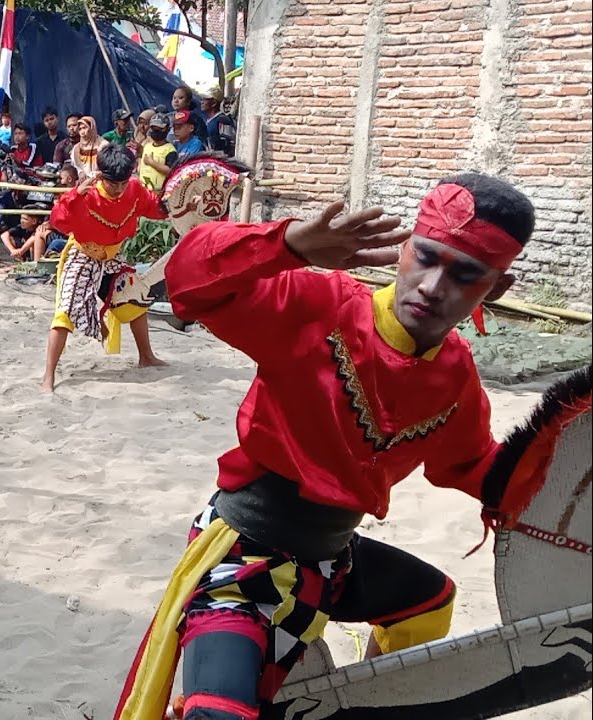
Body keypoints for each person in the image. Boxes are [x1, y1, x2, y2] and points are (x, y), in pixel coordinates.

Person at [111, 173, 535, 720]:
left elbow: (472, 464)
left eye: (466, 274)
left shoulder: (455, 372)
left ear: (496, 288)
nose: (433, 286)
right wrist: (287, 244)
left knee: (430, 604)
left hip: (332, 562)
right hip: (243, 561)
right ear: (405, 249)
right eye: (426, 257)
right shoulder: (318, 305)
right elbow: (187, 280)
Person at [40, 144, 167, 393]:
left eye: (123, 183)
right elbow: (58, 221)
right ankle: (49, 374)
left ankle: (146, 356)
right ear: (101, 175)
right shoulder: (86, 195)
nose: (119, 189)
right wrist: (75, 195)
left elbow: (155, 207)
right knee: (64, 312)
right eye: (113, 184)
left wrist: (183, 204)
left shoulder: (134, 190)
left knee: (135, 298)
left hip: (112, 255)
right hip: (82, 253)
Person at [137, 112, 178, 192]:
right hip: (143, 190)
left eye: (159, 128)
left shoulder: (170, 150)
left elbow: (171, 171)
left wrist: (152, 163)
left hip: (160, 192)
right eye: (153, 128)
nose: (155, 131)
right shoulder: (147, 146)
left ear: (167, 129)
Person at [202, 85, 237, 156]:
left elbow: (229, 143)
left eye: (205, 100)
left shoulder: (222, 120)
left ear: (214, 103)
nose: (201, 102)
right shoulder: (208, 120)